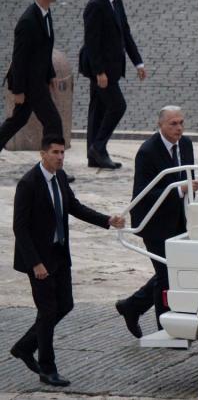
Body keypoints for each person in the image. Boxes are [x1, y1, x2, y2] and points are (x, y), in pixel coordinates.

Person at [10, 135, 124, 387]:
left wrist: (107, 220)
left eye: (63, 152)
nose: (60, 157)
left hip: (60, 254)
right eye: (55, 152)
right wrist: (35, 263)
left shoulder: (60, 178)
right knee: (48, 310)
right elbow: (20, 228)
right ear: (43, 153)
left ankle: (24, 346)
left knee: (65, 305)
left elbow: (75, 207)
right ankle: (47, 369)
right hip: (39, 260)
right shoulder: (28, 184)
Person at [115, 106, 198, 337]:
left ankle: (132, 306)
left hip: (178, 219)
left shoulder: (186, 144)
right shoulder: (147, 152)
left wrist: (193, 187)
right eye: (173, 124)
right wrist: (180, 189)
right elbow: (144, 194)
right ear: (160, 125)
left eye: (181, 122)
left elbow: (187, 176)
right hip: (154, 222)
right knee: (166, 274)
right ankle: (166, 329)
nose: (179, 128)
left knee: (172, 269)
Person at [80, 0, 145, 170]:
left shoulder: (116, 2)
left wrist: (138, 62)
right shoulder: (96, 5)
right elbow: (92, 42)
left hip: (113, 69)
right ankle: (98, 148)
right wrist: (99, 71)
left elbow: (125, 34)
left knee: (98, 110)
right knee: (117, 105)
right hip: (102, 71)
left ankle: (93, 156)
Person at [0, 0, 63, 154]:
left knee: (18, 120)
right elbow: (19, 59)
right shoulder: (28, 22)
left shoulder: (45, 13)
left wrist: (50, 75)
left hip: (38, 80)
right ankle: (54, 166)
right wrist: (18, 90)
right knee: (53, 122)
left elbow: (44, 51)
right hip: (30, 84)